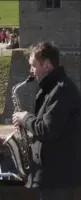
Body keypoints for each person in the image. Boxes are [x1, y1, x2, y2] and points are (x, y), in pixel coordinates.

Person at [12, 41, 81, 200]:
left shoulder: (61, 90)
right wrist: (26, 123)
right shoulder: (52, 88)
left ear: (47, 65)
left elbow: (47, 130)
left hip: (59, 178)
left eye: (34, 65)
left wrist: (25, 118)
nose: (31, 71)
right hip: (52, 175)